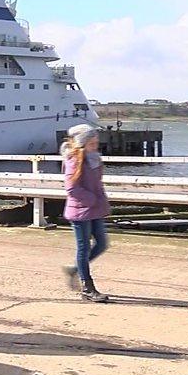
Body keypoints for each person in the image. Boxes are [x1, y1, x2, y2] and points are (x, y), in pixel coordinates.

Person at [60, 123, 111, 303]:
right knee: (83, 247)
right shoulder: (74, 160)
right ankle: (87, 287)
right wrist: (92, 199)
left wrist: (100, 202)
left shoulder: (94, 158)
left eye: (96, 142)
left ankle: (75, 269)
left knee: (102, 244)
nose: (95, 146)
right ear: (82, 144)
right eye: (91, 143)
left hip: (94, 208)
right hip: (80, 210)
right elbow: (72, 188)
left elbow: (97, 184)